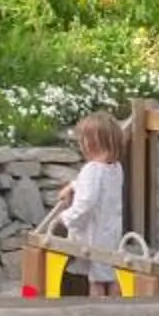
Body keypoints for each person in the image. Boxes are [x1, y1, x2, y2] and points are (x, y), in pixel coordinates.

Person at [54, 111, 127, 295]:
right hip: (110, 234)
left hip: (92, 235)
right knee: (109, 274)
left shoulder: (91, 169)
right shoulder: (115, 168)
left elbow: (85, 204)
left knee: (96, 280)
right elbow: (96, 187)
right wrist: (73, 185)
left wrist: (64, 218)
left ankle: (98, 314)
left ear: (89, 143)